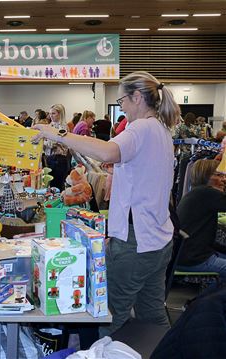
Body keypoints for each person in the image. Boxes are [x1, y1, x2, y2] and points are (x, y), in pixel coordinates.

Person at [32, 71, 180, 336]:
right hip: (157, 239)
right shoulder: (160, 129)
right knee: (152, 315)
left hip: (137, 242)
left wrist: (56, 134)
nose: (120, 107)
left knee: (109, 315)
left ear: (136, 97)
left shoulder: (142, 128)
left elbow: (107, 151)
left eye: (122, 100)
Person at [176, 159, 226, 280]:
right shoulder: (208, 193)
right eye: (219, 175)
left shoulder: (195, 193)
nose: (224, 179)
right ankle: (211, 298)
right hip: (192, 259)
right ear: (206, 176)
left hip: (182, 256)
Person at [44, 104, 71, 190]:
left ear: (60, 114)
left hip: (58, 160)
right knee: (52, 186)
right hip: (51, 158)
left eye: (53, 113)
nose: (50, 116)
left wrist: (41, 141)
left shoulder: (62, 127)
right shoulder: (51, 125)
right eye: (50, 113)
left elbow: (52, 143)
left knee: (57, 187)